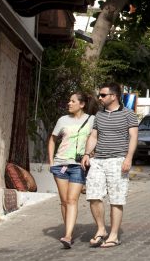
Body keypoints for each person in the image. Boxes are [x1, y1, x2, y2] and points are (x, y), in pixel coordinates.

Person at [81, 82, 139, 248]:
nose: (100, 97)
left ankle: (114, 235)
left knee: (116, 199)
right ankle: (101, 229)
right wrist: (87, 154)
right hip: (98, 160)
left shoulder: (129, 114)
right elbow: (94, 136)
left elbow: (133, 137)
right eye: (100, 95)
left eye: (103, 95)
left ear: (113, 96)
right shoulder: (99, 115)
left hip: (118, 160)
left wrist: (128, 158)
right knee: (93, 195)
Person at [46, 91, 95, 249]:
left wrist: (91, 154)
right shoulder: (62, 120)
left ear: (82, 104)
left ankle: (67, 235)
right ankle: (69, 230)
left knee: (73, 200)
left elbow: (96, 139)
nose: (69, 103)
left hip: (78, 165)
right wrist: (52, 162)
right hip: (60, 164)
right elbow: (52, 140)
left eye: (73, 101)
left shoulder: (91, 120)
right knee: (65, 200)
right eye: (69, 101)